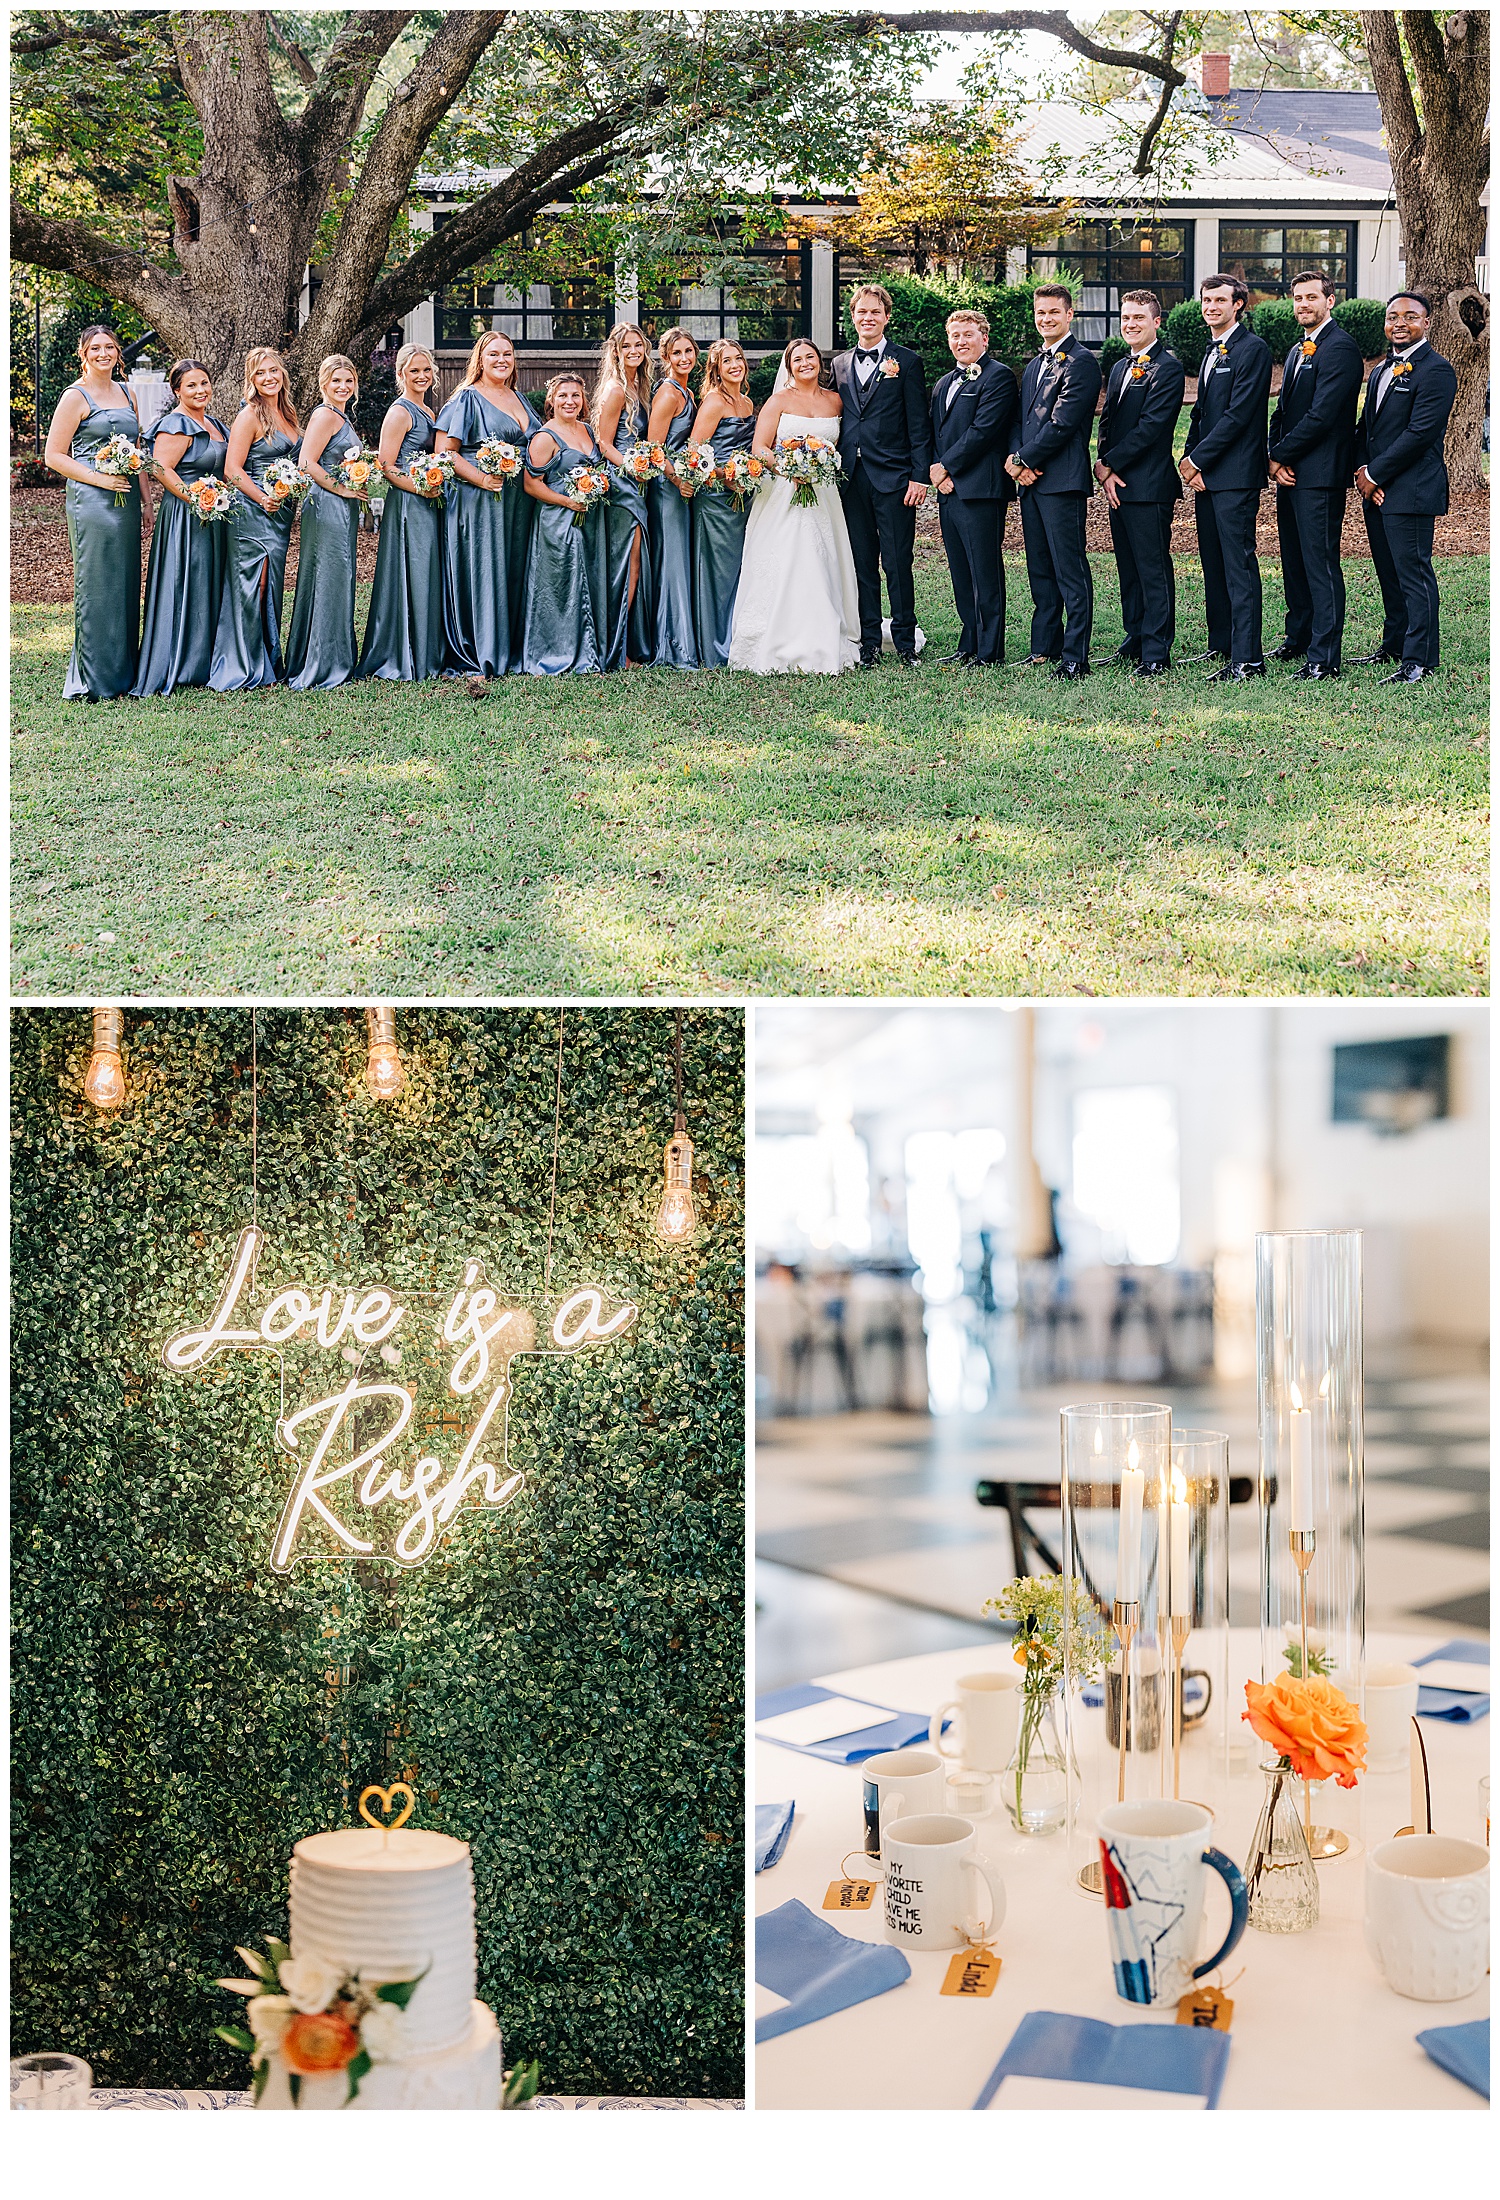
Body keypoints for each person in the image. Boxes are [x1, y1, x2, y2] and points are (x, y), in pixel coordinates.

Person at [728, 336, 860, 676]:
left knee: (822, 558)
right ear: (789, 366)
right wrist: (790, 468)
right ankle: (779, 636)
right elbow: (761, 447)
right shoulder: (778, 401)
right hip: (785, 492)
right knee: (787, 560)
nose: (805, 363)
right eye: (797, 359)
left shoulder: (835, 402)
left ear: (820, 362)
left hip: (824, 495)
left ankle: (825, 632)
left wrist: (818, 465)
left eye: (810, 357)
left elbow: (842, 444)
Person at [1352, 291, 1457, 683]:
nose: (1400, 322)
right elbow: (1368, 429)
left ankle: (1420, 660)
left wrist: (1375, 475)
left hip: (1411, 489)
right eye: (1393, 315)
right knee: (1389, 573)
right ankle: (1394, 645)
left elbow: (1419, 434)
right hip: (1377, 488)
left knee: (1413, 574)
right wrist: (1363, 470)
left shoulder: (1437, 370)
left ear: (1426, 323)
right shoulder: (1380, 370)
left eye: (1410, 316)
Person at [1266, 271, 1364, 679]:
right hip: (1290, 472)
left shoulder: (1340, 348)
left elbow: (1322, 416)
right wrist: (1273, 457)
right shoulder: (1296, 350)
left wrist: (1279, 455)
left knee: (1320, 563)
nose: (1303, 304)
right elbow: (1284, 410)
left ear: (1331, 301)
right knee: (1294, 559)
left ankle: (1324, 657)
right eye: (1297, 298)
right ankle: (1299, 637)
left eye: (1311, 297)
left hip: (1320, 474)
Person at [831, 283, 931, 666]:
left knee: (896, 562)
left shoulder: (905, 361)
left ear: (886, 317)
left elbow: (919, 425)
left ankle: (905, 641)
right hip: (851, 478)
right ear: (852, 317)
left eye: (875, 311)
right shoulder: (839, 364)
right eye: (861, 312)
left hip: (894, 478)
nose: (868, 318)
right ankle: (868, 641)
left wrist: (918, 476)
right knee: (861, 563)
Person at [1006, 283, 1102, 678]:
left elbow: (1062, 423)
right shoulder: (1035, 364)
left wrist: (1024, 458)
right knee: (1039, 568)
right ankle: (1044, 647)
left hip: (1062, 480)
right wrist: (1017, 461)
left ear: (1069, 314)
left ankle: (1076, 655)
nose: (1045, 318)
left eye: (1053, 312)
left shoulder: (1081, 362)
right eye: (1040, 312)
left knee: (1069, 568)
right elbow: (1019, 420)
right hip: (1029, 481)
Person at [1180, 271, 1273, 681]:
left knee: (1238, 565)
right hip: (1207, 475)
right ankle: (1222, 645)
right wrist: (1188, 457)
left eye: (1219, 300)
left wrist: (1197, 460)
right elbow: (1201, 414)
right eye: (1206, 300)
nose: (1211, 307)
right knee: (1213, 564)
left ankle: (1248, 658)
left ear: (1238, 304)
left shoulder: (1252, 349)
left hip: (1235, 475)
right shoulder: (1211, 351)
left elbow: (1238, 415)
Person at [44, 324, 143, 700]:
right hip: (92, 500)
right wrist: (99, 480)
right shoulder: (75, 396)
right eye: (96, 348)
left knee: (125, 582)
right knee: (99, 584)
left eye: (110, 347)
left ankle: (123, 674)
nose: (104, 353)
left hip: (127, 500)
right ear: (83, 354)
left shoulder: (128, 392)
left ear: (118, 353)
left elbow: (137, 450)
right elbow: (54, 456)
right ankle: (94, 679)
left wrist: (146, 501)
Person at [434, 330, 539, 676]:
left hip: (518, 502)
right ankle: (481, 649)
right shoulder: (467, 399)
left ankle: (511, 646)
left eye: (507, 354)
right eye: (493, 354)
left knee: (512, 568)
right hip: (481, 499)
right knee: (485, 569)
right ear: (479, 359)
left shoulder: (519, 398)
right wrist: (481, 478)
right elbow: (443, 453)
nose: (501, 360)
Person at [1094, 289, 1186, 677]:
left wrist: (1110, 464)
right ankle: (1134, 637)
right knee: (1127, 568)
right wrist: (1103, 464)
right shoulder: (1118, 367)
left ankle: (1156, 649)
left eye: (1138, 319)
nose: (1130, 324)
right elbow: (1108, 421)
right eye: (1126, 318)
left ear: (1156, 323)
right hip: (1117, 484)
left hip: (1149, 486)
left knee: (1152, 569)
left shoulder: (1168, 369)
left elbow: (1151, 428)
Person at [133, 359, 232, 696]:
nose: (200, 390)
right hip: (187, 515)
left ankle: (204, 659)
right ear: (177, 391)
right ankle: (179, 660)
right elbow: (161, 468)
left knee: (207, 582)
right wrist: (195, 498)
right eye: (191, 385)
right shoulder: (176, 424)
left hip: (214, 512)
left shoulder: (216, 423)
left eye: (204, 383)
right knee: (186, 580)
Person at [927, 307, 1017, 666]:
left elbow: (983, 431)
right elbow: (937, 433)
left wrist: (945, 467)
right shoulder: (943, 383)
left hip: (981, 489)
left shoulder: (998, 377)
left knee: (985, 571)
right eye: (955, 335)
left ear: (984, 338)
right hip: (949, 490)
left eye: (968, 334)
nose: (961, 341)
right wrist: (938, 473)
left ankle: (989, 649)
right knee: (961, 571)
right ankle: (968, 642)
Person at [210, 346, 302, 691]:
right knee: (254, 584)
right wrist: (263, 497)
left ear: (282, 374)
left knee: (272, 585)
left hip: (280, 512)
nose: (268, 378)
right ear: (251, 380)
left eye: (273, 371)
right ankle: (245, 663)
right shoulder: (249, 415)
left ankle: (268, 658)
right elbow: (232, 469)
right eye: (260, 373)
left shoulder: (289, 413)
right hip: (253, 511)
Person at [357, 343, 445, 682]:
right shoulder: (400, 412)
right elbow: (386, 466)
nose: (421, 376)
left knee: (426, 573)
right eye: (414, 371)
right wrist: (420, 487)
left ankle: (427, 648)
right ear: (400, 375)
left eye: (426, 370)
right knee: (412, 571)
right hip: (410, 503)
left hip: (429, 499)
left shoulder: (428, 410)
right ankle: (405, 653)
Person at [284, 354, 369, 690]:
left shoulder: (340, 416)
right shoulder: (324, 415)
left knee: (338, 575)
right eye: (336, 381)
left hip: (338, 507)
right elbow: (306, 462)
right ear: (323, 384)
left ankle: (331, 656)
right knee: (329, 576)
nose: (343, 387)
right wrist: (343, 490)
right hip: (327, 505)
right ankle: (323, 663)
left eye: (348, 381)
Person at [520, 372, 606, 675]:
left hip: (590, 519)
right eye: (563, 396)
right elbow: (532, 486)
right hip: (558, 521)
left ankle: (590, 650)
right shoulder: (545, 437)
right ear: (551, 401)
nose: (569, 401)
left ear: (583, 400)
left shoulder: (587, 430)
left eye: (575, 396)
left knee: (587, 582)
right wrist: (568, 502)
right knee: (560, 588)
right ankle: (557, 652)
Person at [592, 322, 657, 668]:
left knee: (634, 563)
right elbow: (603, 443)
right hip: (621, 483)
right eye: (626, 346)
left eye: (639, 345)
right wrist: (633, 466)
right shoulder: (616, 389)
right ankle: (617, 650)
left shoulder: (639, 385)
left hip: (637, 479)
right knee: (627, 564)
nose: (634, 351)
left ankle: (627, 643)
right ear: (615, 351)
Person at [691, 337, 757, 667]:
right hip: (716, 498)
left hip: (742, 498)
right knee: (717, 573)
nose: (735, 365)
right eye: (727, 360)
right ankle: (714, 643)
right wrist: (723, 474)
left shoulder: (746, 402)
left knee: (739, 571)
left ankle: (737, 636)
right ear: (716, 368)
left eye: (738, 359)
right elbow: (694, 452)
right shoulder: (714, 402)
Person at [645, 326, 702, 667]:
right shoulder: (668, 394)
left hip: (684, 484)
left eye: (688, 351)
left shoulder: (688, 392)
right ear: (665, 358)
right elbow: (654, 448)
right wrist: (677, 478)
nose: (684, 358)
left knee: (678, 560)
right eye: (676, 353)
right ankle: (672, 645)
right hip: (668, 487)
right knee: (672, 563)